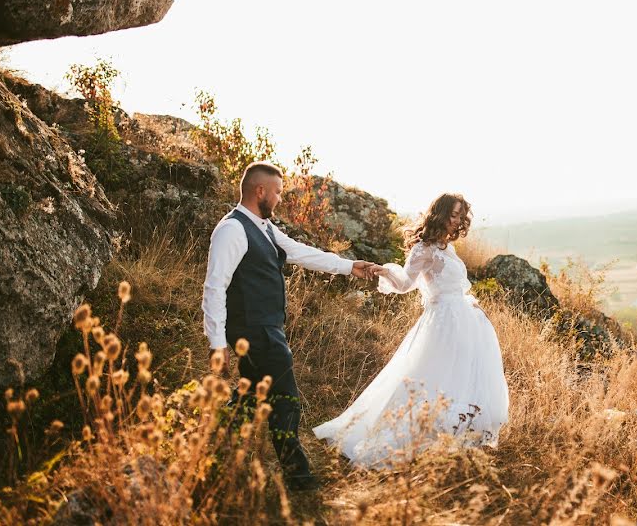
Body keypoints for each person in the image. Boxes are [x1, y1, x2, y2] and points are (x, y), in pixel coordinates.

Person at [202, 161, 378, 490]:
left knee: (250, 396)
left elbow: (299, 252)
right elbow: (214, 288)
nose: (281, 198)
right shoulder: (232, 230)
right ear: (260, 191)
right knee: (287, 400)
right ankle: (300, 478)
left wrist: (350, 266)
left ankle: (210, 447)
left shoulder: (266, 227)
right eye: (278, 193)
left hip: (268, 328)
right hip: (255, 332)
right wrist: (217, 344)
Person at [313, 193, 510, 468]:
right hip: (442, 324)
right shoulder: (424, 249)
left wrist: (474, 308)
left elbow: (457, 286)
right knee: (431, 379)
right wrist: (385, 272)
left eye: (460, 216)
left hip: (464, 321)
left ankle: (457, 440)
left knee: (462, 377)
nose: (456, 221)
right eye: (452, 214)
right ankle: (410, 438)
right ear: (439, 213)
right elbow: (406, 283)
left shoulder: (446, 247)